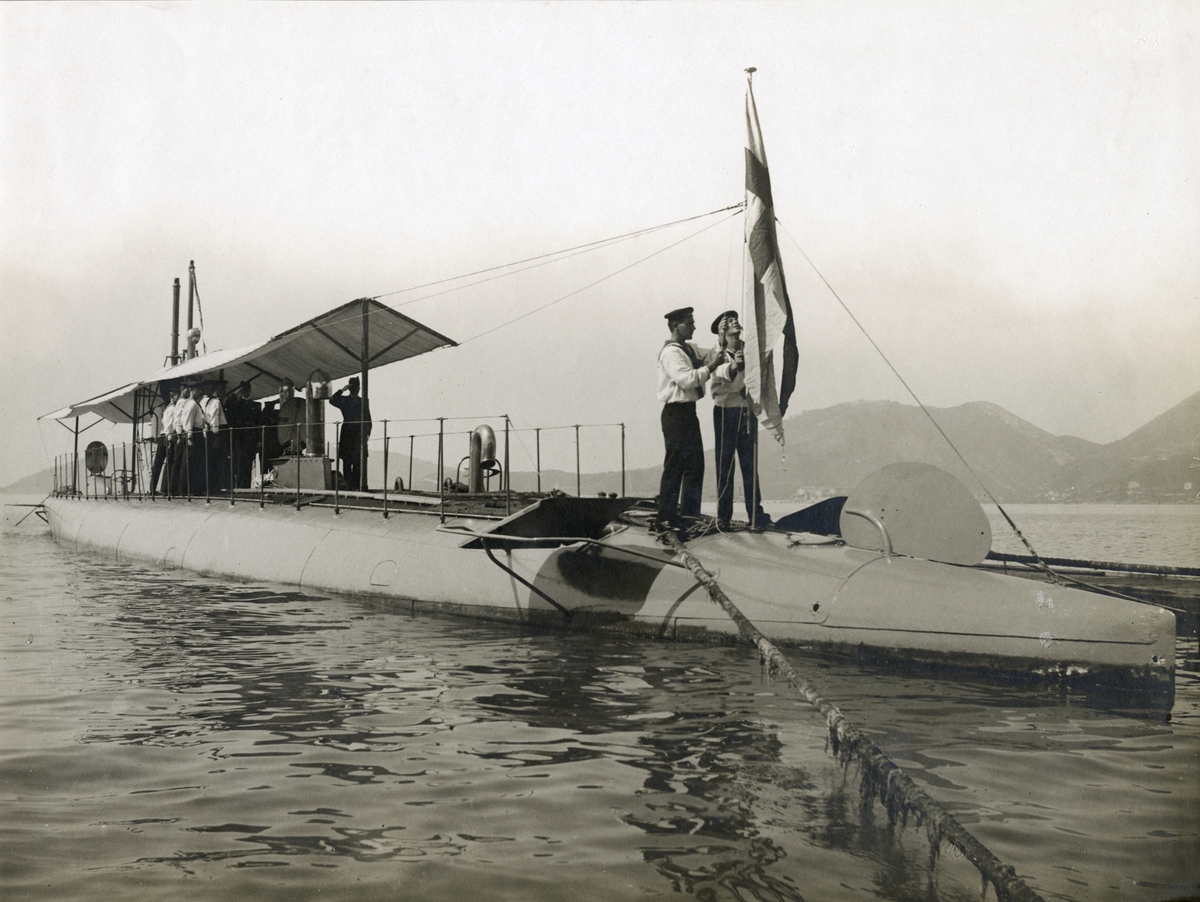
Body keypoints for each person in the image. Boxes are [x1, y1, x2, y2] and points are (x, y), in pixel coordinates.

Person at [656, 306, 719, 538]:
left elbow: (710, 354)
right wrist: (711, 368)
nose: (693, 326)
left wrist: (722, 342)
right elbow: (686, 379)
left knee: (695, 464)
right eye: (689, 323)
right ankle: (666, 517)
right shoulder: (671, 353)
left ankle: (690, 515)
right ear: (675, 326)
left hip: (688, 413)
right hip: (675, 413)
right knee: (675, 466)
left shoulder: (688, 349)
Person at [709, 311, 769, 530]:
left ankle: (755, 514)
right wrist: (735, 365)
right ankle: (723, 516)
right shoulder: (718, 354)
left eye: (735, 319)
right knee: (725, 465)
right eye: (728, 321)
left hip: (746, 411)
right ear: (721, 330)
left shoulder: (750, 350)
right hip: (726, 411)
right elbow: (720, 373)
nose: (735, 321)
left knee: (749, 465)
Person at [329, 376, 371, 491]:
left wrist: (367, 434)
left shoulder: (363, 401)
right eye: (353, 387)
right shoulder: (344, 400)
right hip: (347, 432)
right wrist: (342, 389)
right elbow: (332, 399)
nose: (355, 389)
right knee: (347, 460)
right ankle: (348, 485)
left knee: (358, 460)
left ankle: (356, 486)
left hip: (358, 432)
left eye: (357, 387)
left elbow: (368, 418)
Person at [223, 381, 261, 489]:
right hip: (239, 439)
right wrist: (236, 393)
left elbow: (258, 423)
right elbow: (228, 407)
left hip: (250, 439)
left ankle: (246, 486)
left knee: (248, 463)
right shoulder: (236, 405)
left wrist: (258, 440)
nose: (247, 391)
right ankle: (239, 486)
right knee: (239, 464)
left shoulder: (255, 405)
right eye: (245, 389)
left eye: (248, 389)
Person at [173, 385, 207, 495]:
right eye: (198, 389)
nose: (200, 391)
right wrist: (189, 437)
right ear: (192, 390)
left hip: (196, 433)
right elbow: (188, 421)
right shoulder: (191, 404)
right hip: (194, 434)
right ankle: (184, 489)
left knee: (195, 462)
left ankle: (192, 488)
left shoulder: (194, 404)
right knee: (189, 462)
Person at [197, 382, 229, 492]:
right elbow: (214, 419)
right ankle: (215, 486)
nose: (223, 392)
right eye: (222, 389)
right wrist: (216, 436)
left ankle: (210, 485)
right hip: (216, 433)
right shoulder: (215, 402)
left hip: (207, 432)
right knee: (217, 460)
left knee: (209, 460)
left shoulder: (203, 402)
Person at [151, 388, 180, 497]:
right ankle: (166, 488)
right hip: (167, 436)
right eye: (177, 395)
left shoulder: (167, 408)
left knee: (158, 463)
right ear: (172, 396)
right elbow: (168, 426)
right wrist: (169, 440)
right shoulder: (172, 409)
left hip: (162, 436)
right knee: (169, 463)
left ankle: (153, 488)